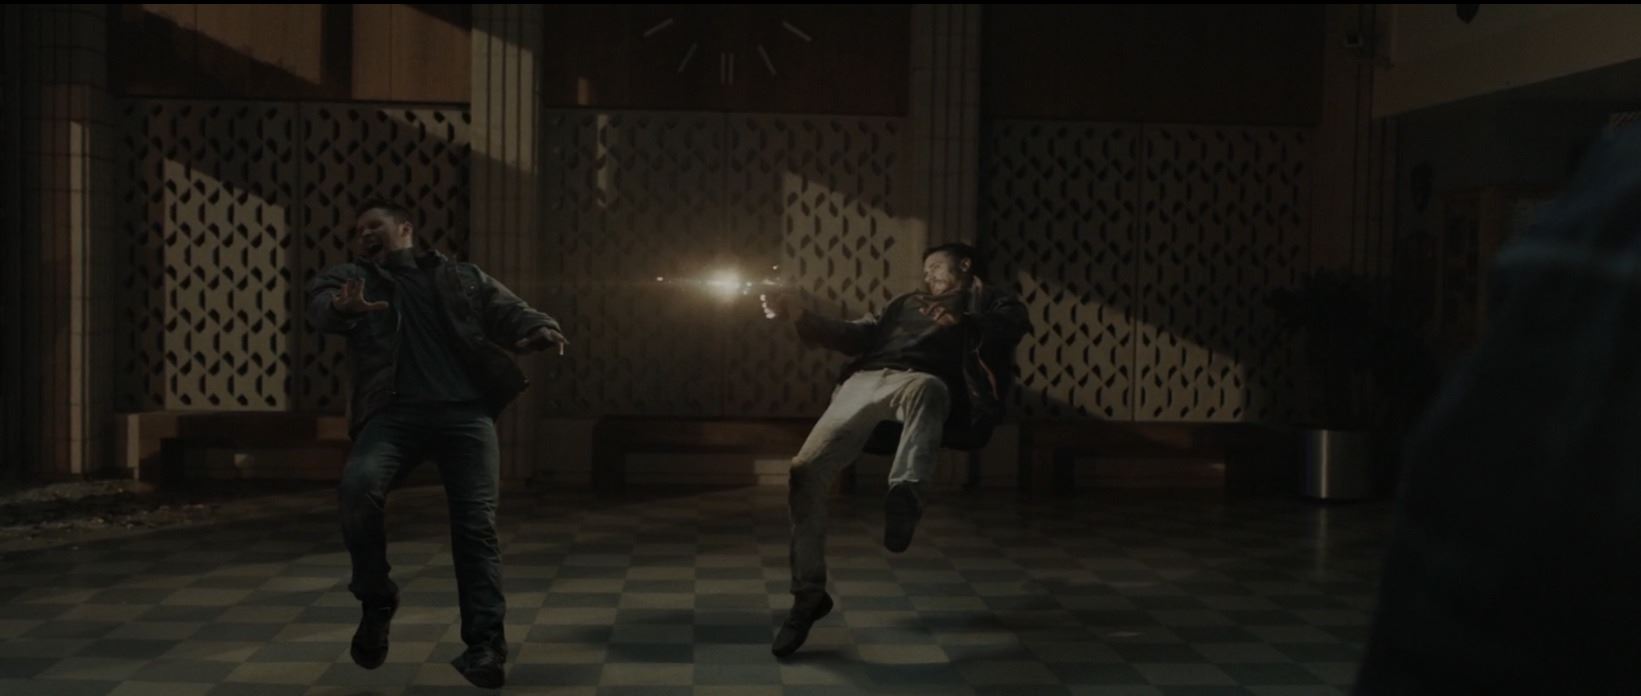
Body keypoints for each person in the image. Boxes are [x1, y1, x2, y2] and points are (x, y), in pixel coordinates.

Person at [306, 200, 568, 689]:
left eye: (374, 225)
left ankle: (485, 647)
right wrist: (342, 307)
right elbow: (321, 307)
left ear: (405, 228)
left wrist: (537, 327)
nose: (365, 235)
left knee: (476, 530)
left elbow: (508, 309)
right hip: (393, 415)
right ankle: (376, 599)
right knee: (357, 488)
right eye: (359, 230)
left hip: (464, 416)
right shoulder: (350, 278)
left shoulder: (460, 276)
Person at [759, 243, 1031, 657]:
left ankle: (905, 495)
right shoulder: (903, 303)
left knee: (928, 388)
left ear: (964, 264)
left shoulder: (992, 302)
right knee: (804, 472)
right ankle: (808, 595)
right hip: (866, 381)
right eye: (924, 270)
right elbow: (855, 334)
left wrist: (966, 321)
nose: (928, 275)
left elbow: (1010, 326)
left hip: (921, 380)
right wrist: (799, 314)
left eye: (935, 266)